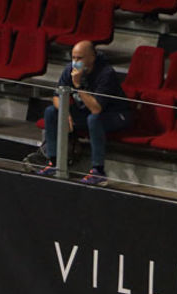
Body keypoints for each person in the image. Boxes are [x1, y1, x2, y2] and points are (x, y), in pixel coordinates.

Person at [37, 41, 131, 186]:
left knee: (94, 119)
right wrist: (65, 113)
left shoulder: (106, 73)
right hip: (87, 113)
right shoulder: (70, 69)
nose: (75, 62)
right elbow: (57, 96)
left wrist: (78, 85)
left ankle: (98, 171)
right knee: (51, 112)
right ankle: (54, 163)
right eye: (73, 58)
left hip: (117, 115)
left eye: (79, 58)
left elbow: (96, 109)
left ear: (92, 58)